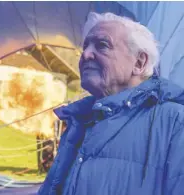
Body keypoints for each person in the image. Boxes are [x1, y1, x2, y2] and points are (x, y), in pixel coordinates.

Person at [38, 12, 184, 195]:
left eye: (102, 45)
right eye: (85, 46)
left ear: (139, 62)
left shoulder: (175, 122)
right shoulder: (80, 121)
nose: (86, 54)